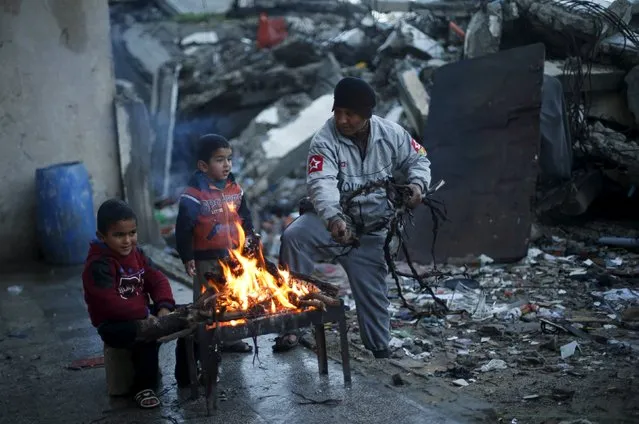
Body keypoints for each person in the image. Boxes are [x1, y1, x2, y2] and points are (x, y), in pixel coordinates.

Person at [278, 77, 432, 358]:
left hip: (372, 231)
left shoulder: (391, 133)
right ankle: (292, 326)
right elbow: (320, 184)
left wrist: (418, 186)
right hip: (332, 223)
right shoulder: (324, 141)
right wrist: (335, 219)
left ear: (367, 115)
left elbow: (419, 159)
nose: (343, 120)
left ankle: (379, 351)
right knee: (294, 237)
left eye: (350, 114)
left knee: (374, 297)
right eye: (338, 112)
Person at [82, 199, 176, 409]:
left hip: (142, 313)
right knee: (146, 334)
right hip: (113, 324)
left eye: (132, 233)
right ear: (102, 237)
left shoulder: (137, 254)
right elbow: (109, 304)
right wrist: (145, 314)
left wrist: (163, 307)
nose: (127, 241)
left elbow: (157, 279)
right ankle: (144, 387)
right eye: (118, 235)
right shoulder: (99, 265)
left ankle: (188, 375)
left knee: (189, 317)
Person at [174, 134, 255, 366]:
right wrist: (187, 256)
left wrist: (249, 236)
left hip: (232, 255)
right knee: (208, 301)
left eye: (229, 159)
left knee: (232, 297)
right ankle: (207, 341)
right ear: (203, 166)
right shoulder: (194, 194)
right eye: (220, 160)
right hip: (205, 258)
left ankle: (231, 338)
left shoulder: (235, 188)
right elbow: (183, 227)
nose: (227, 165)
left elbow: (244, 215)